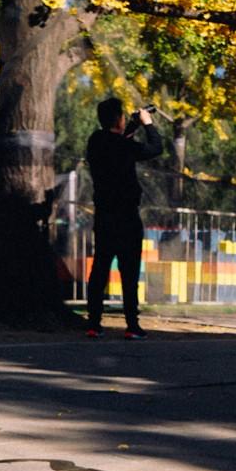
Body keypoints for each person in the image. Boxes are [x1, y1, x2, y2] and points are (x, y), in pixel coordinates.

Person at [82, 98, 163, 339]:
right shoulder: (124, 147)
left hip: (104, 215)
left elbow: (116, 142)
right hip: (127, 215)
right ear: (118, 118)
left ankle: (94, 323)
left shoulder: (96, 141)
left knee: (100, 269)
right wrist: (147, 124)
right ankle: (132, 325)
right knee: (129, 272)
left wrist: (130, 127)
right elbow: (155, 148)